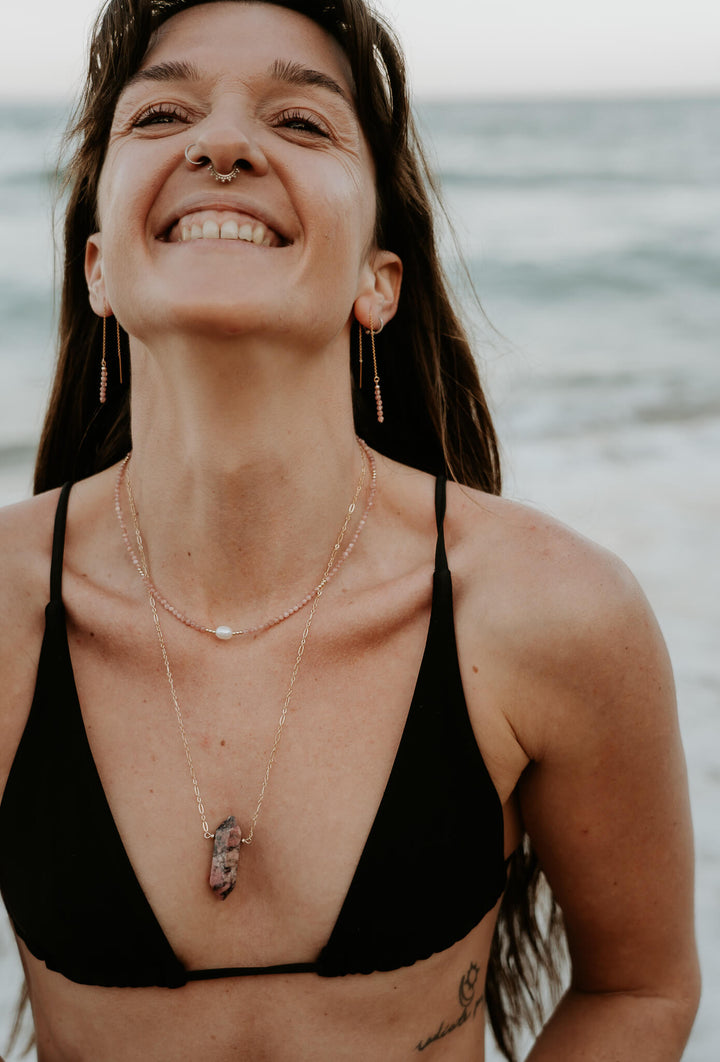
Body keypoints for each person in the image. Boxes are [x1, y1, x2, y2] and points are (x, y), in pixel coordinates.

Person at [0, 0, 700, 1058]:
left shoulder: (552, 615)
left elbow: (641, 988)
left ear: (379, 281)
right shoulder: (5, 616)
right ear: (98, 266)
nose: (222, 142)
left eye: (301, 122)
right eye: (160, 115)